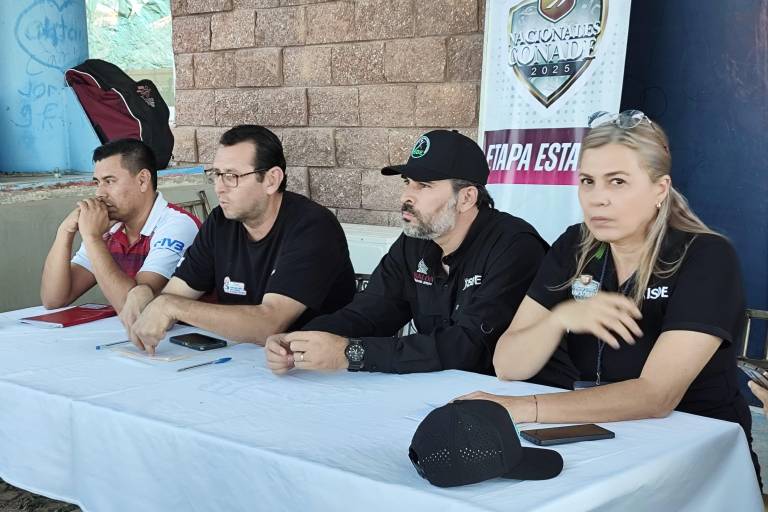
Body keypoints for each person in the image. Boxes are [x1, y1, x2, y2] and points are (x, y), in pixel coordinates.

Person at [456, 110, 759, 480]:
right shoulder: (575, 244)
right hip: (604, 445)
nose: (598, 199)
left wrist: (522, 407)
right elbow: (508, 364)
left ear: (660, 189)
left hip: (697, 454)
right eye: (588, 181)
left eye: (617, 182)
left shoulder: (705, 255)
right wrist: (559, 319)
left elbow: (656, 396)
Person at [265, 129, 549, 376]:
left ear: (466, 198)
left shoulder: (514, 247)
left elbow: (469, 347)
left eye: (423, 186)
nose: (406, 197)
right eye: (407, 182)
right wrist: (300, 339)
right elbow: (369, 313)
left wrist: (352, 353)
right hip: (437, 391)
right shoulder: (416, 240)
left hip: (516, 398)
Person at [124, 125, 355, 353]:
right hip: (240, 359)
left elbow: (268, 325)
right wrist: (145, 293)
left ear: (271, 180)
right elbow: (173, 297)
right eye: (217, 175)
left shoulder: (312, 227)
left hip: (315, 366)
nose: (219, 188)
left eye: (231, 176)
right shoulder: (221, 222)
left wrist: (172, 307)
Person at [40, 139, 200, 313]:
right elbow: (53, 299)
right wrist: (65, 232)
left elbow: (136, 308)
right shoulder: (109, 227)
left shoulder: (177, 225)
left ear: (142, 180)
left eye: (109, 181)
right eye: (97, 183)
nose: (99, 193)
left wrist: (92, 239)